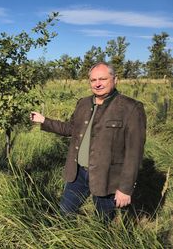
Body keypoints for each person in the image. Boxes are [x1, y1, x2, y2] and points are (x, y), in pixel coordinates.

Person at [30, 62, 146, 222]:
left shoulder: (130, 108)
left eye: (103, 79)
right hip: (77, 173)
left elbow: (134, 153)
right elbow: (71, 128)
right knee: (64, 215)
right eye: (93, 80)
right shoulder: (83, 103)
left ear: (115, 79)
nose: (97, 84)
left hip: (107, 177)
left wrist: (125, 188)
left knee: (103, 222)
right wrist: (44, 121)